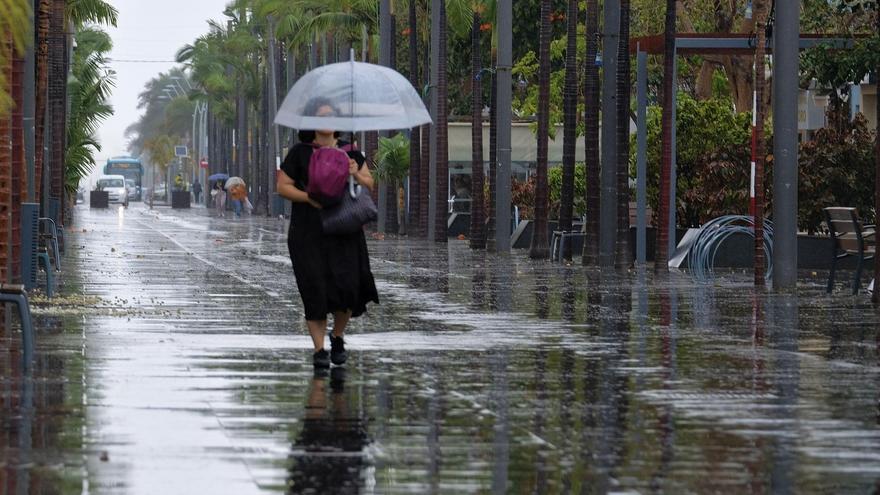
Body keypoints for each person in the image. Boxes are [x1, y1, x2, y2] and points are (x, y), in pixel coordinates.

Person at [277, 97, 379, 369]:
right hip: (307, 231)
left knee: (347, 289)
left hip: (344, 229)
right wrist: (307, 198)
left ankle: (337, 336)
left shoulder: (351, 152)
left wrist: (356, 173)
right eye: (320, 116)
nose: (326, 121)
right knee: (314, 290)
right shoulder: (300, 153)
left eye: (331, 116)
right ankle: (320, 349)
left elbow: (369, 183)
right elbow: (282, 186)